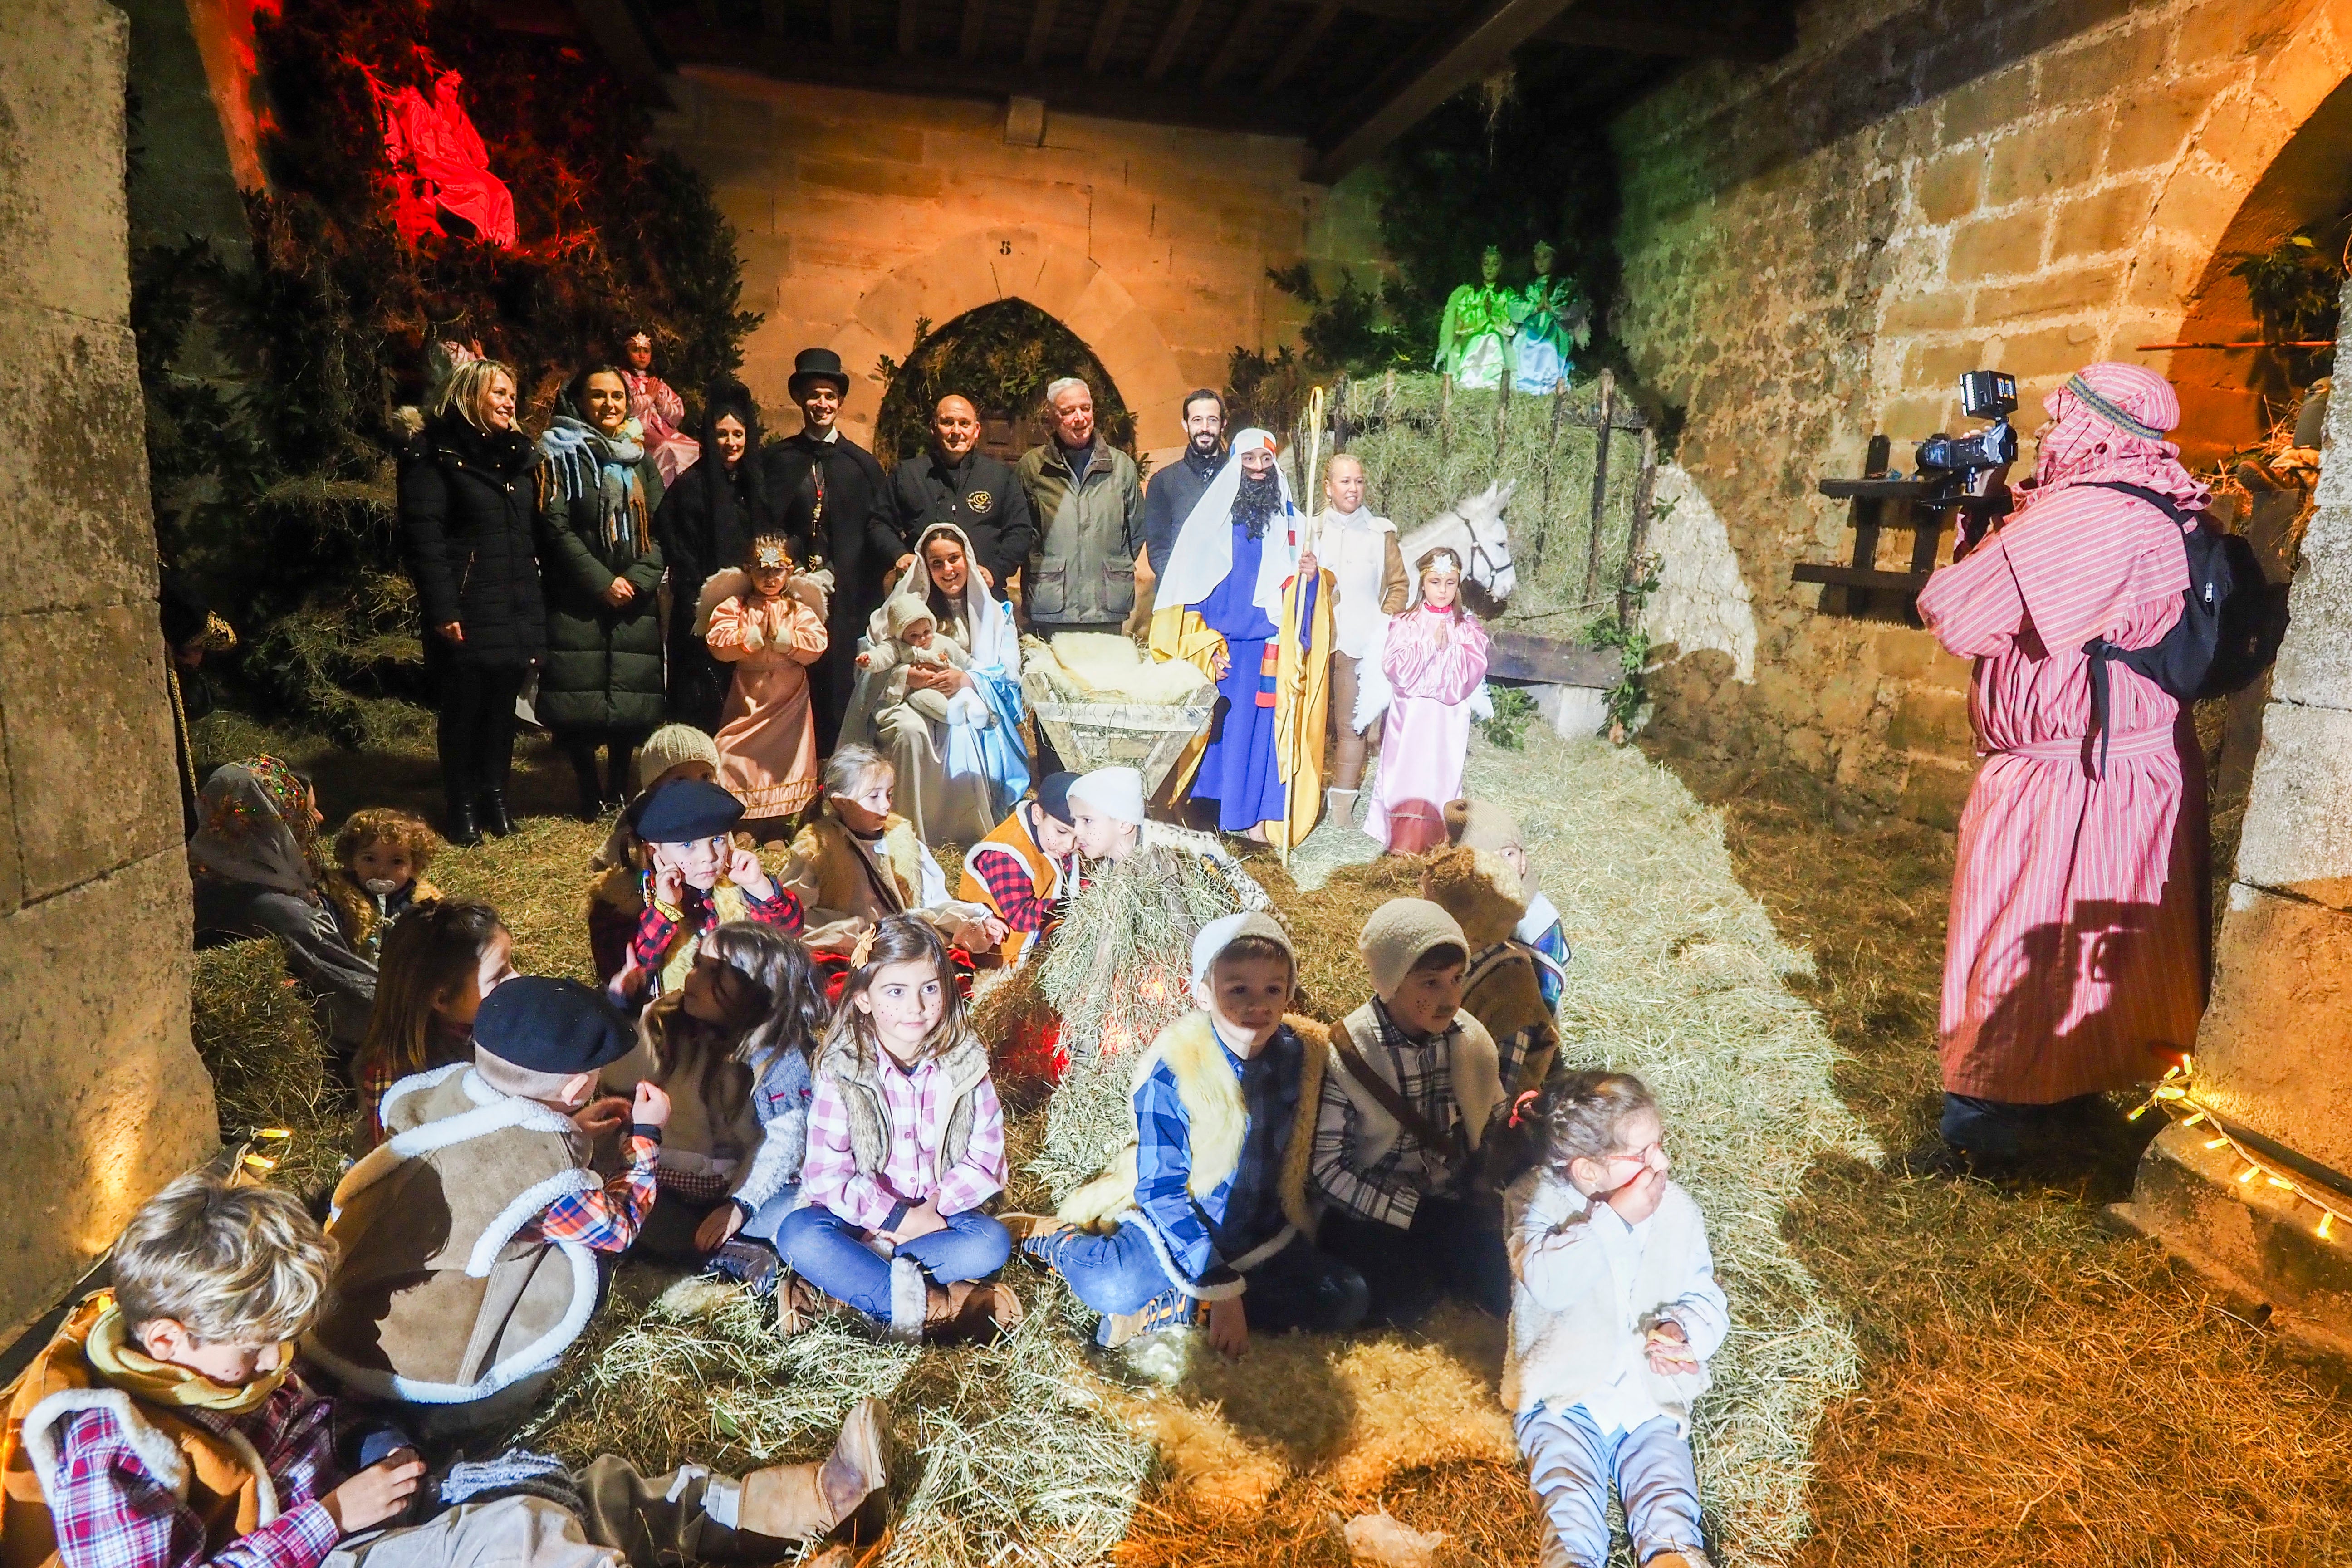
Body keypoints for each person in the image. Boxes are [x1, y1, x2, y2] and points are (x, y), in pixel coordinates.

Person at [1910, 362, 2211, 1176]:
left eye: (2059, 418)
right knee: (2088, 946)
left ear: (2097, 426)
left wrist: (1984, 532)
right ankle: (2067, 1099)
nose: (2046, 432)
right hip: (2120, 768)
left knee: (2013, 939)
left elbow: (1957, 613)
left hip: (2068, 776)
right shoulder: (2157, 503)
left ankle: (1988, 1130)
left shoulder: (2089, 516)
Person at [1019, 912, 1370, 1351]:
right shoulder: (1175, 1073)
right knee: (1113, 1285)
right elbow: (1162, 1192)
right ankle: (1054, 1239)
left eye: (1273, 990)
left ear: (1288, 995)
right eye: (1237, 989)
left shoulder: (1303, 1058)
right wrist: (1218, 1281)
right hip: (1180, 1226)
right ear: (1204, 994)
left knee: (1347, 1297)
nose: (1256, 1005)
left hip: (1260, 1233)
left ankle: (1181, 1308)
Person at [1504, 1072, 1724, 1568]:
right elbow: (1549, 1280)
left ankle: (1674, 1555)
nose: (1661, 1164)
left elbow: (1705, 1293)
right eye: (1642, 1155)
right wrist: (1615, 1220)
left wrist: (1685, 1330)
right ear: (1588, 1171)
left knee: (1667, 1496)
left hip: (1646, 1399)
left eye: (1660, 1146)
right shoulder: (1537, 1202)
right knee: (1570, 1501)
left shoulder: (1677, 1211)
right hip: (1566, 1397)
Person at [779, 916, 1021, 1343]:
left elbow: (986, 1157)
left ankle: (848, 1293)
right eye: (896, 991)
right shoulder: (844, 1069)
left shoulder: (965, 1064)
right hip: (859, 1221)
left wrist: (930, 1212)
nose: (916, 1007)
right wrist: (893, 1217)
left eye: (930, 988)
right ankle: (934, 1307)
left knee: (990, 1243)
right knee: (798, 1235)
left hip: (938, 1221)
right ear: (863, 999)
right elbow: (826, 1174)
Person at [1312, 897, 1509, 1327]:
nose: (1450, 998)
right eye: (1430, 983)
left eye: (1458, 980)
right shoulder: (1350, 1053)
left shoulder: (1470, 1040)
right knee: (1405, 1297)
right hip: (1371, 1209)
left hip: (1447, 1201)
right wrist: (1413, 1214)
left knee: (1503, 1286)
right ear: (1392, 980)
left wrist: (1495, 1171)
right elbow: (1327, 1170)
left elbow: (1493, 1120)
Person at [607, 922, 825, 1281]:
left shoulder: (781, 1059)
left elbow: (783, 1142)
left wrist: (740, 1204)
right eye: (697, 964)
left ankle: (713, 1248)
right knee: (625, 1204)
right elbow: (622, 1077)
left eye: (714, 972)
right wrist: (626, 1012)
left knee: (794, 1214)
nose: (692, 978)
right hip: (670, 1180)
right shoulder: (668, 1018)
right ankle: (725, 1257)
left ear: (760, 989)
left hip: (743, 1184)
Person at [1150, 427, 1320, 841]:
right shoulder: (1209, 524)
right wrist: (1201, 643)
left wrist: (1311, 579)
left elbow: (1303, 597)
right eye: (1249, 461)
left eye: (1266, 461)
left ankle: (1255, 819)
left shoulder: (1294, 526)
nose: (1258, 470)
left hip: (1268, 646)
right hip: (1220, 648)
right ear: (1235, 466)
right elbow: (1188, 589)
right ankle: (1207, 817)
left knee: (1262, 734)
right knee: (1217, 736)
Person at [399, 357, 543, 844]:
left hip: (514, 601)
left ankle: (495, 798)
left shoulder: (519, 459)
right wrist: (444, 608)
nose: (509, 402)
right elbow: (426, 539)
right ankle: (460, 806)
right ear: (468, 396)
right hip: (467, 604)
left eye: (511, 394)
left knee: (502, 707)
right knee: (464, 708)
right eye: (498, 393)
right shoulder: (434, 456)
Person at [537, 363, 667, 819]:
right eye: (598, 396)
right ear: (579, 401)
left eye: (617, 397)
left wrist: (638, 579)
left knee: (630, 698)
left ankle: (619, 787)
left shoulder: (639, 458)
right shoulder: (559, 454)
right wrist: (600, 581)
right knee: (580, 696)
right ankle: (588, 790)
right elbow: (555, 526)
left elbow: (661, 527)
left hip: (634, 595)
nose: (609, 405)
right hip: (580, 596)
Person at [849, 523, 1032, 843]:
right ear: (925, 567)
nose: (948, 570)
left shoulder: (994, 614)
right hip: (906, 700)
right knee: (909, 733)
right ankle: (906, 830)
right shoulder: (901, 610)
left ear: (968, 559)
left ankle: (963, 830)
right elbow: (870, 664)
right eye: (937, 563)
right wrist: (907, 678)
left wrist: (968, 680)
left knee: (964, 731)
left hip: (965, 700)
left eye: (954, 559)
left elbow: (1009, 673)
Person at [188, 758, 377, 1060]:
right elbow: (360, 999)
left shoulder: (206, 875)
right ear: (276, 821)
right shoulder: (283, 912)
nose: (321, 817)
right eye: (308, 811)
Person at [763, 348, 898, 751]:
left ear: (839, 402)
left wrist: (840, 573)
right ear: (800, 400)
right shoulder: (777, 460)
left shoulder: (863, 466)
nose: (821, 404)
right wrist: (792, 569)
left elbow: (875, 532)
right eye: (813, 395)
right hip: (788, 593)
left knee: (840, 686)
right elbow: (765, 527)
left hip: (846, 600)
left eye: (829, 396)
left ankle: (834, 769)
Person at [782, 745, 1004, 954]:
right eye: (874, 796)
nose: (886, 805)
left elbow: (933, 903)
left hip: (904, 941)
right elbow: (795, 916)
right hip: (853, 950)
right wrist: (855, 934)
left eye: (889, 794)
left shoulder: (901, 836)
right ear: (841, 803)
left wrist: (976, 918)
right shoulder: (818, 849)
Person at [610, 779, 803, 1005]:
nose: (709, 857)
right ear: (654, 851)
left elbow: (789, 935)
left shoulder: (734, 886)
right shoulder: (634, 900)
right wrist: (665, 909)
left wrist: (758, 887)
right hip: (678, 1021)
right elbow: (638, 969)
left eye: (718, 840)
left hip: (741, 1010)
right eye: (688, 845)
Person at [352, 897, 514, 1148]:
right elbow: (393, 1168)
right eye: (499, 975)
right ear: (442, 998)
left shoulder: (483, 1024)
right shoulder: (397, 1082)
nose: (518, 979)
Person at [1365, 547, 1491, 854]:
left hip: (1446, 719)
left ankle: (1436, 838)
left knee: (1440, 773)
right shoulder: (1406, 623)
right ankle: (1401, 837)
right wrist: (1427, 647)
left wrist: (1449, 652)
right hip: (1410, 719)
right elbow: (1395, 668)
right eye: (1436, 582)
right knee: (1406, 772)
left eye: (1450, 583)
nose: (1442, 590)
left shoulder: (1467, 629)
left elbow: (1470, 673)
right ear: (1423, 583)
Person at [654, 385, 764, 732]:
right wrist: (708, 604)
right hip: (702, 616)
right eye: (721, 434)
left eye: (738, 434)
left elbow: (769, 543)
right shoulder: (691, 486)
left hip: (752, 612)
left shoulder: (755, 487)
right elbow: (677, 549)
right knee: (702, 705)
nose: (730, 443)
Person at [703, 534, 829, 837]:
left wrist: (790, 644)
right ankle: (745, 822)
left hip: (788, 696)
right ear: (749, 570)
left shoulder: (797, 610)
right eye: (762, 570)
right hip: (750, 693)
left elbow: (818, 643)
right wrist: (745, 643)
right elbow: (717, 642)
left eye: (777, 570)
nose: (770, 578)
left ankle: (778, 826)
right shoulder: (736, 607)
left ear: (789, 571)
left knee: (785, 761)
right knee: (733, 752)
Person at [1313, 453, 1408, 822]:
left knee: (1351, 726)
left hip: (1358, 643)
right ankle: (1304, 799)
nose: (1353, 489)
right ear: (1328, 487)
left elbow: (1398, 585)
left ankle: (1342, 807)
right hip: (1316, 641)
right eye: (1344, 482)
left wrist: (1382, 623)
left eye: (1359, 481)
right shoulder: (1311, 528)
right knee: (1310, 722)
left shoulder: (1380, 532)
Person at [587, 725, 722, 982]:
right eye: (680, 780)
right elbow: (612, 867)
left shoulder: (716, 820)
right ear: (654, 787)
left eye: (705, 777)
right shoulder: (635, 832)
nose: (695, 789)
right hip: (652, 908)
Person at [1421, 844, 1560, 1091]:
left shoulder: (1511, 989)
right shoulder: (1453, 955)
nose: (1421, 913)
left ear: (1461, 922)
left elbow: (1501, 1092)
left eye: (1431, 906)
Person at [1017, 377, 1142, 635]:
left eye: (1085, 408)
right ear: (1053, 417)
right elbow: (1021, 532)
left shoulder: (1122, 467)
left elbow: (1137, 531)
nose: (1079, 418)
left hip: (1106, 606)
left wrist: (1112, 566)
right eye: (1068, 411)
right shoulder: (1032, 467)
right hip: (1051, 604)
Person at [884, 393, 1036, 592]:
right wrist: (899, 554)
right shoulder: (907, 474)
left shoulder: (1000, 476)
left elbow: (1020, 531)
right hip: (922, 596)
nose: (957, 431)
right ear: (933, 428)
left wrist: (996, 571)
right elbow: (880, 522)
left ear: (977, 430)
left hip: (985, 594)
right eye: (948, 423)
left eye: (965, 424)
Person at [1446, 797, 1570, 1012]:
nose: (1500, 866)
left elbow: (1542, 1006)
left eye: (1508, 854)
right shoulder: (1461, 907)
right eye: (1485, 856)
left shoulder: (1538, 925)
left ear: (1524, 860)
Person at [956, 771, 1080, 969]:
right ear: (1038, 814)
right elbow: (1020, 915)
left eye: (1079, 837)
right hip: (1000, 957)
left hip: (1039, 939)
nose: (1069, 845)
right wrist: (1079, 906)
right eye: (1062, 832)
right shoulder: (1006, 855)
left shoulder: (1051, 841)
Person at [1136, 388, 1230, 605]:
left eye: (1212, 420)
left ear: (1223, 425)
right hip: (1181, 598)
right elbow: (1159, 547)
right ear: (1185, 425)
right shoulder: (1163, 482)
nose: (1205, 429)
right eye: (1197, 420)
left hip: (1231, 598)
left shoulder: (1239, 477)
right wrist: (1178, 587)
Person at [321, 808, 442, 964]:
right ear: (352, 859)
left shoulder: (423, 903)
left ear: (414, 866)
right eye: (370, 859)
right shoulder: (339, 898)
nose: (382, 871)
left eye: (397, 862)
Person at [619, 329, 701, 487]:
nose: (642, 356)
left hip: (665, 431)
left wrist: (660, 402)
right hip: (640, 432)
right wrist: (648, 398)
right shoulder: (622, 379)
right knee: (668, 448)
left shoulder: (657, 383)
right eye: (636, 350)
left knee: (695, 449)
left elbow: (678, 413)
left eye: (646, 351)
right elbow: (624, 409)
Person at [1509, 241, 1589, 395]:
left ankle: (1547, 383)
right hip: (1532, 327)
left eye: (1545, 257)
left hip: (1555, 329)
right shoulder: (1529, 286)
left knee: (1548, 347)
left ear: (1555, 259)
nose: (1540, 262)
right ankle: (1525, 383)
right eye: (1537, 258)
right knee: (1524, 344)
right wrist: (1535, 308)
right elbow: (1515, 306)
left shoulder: (1565, 285)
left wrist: (1552, 309)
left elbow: (1574, 309)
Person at [1436, 244, 1516, 390]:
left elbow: (1510, 320)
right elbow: (1462, 318)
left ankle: (1494, 382)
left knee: (1493, 340)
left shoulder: (1507, 293)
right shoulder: (1470, 292)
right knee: (1477, 341)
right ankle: (1470, 382)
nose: (1490, 268)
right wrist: (1483, 315)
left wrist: (1494, 316)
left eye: (1495, 264)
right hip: (1472, 334)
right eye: (1486, 264)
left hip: (1496, 333)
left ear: (1502, 268)